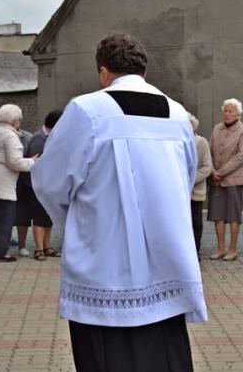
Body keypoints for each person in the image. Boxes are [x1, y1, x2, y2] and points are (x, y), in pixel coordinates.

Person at [32, 33, 206, 372]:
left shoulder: (86, 109)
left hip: (105, 262)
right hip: (167, 262)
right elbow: (185, 179)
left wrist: (77, 222)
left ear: (103, 72)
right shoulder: (177, 114)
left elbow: (51, 181)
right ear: (144, 70)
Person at [0, 104, 35, 262]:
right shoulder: (10, 136)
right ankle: (0, 253)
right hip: (2, 183)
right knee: (5, 219)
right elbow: (15, 163)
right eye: (19, 120)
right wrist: (34, 162)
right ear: (15, 120)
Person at [16, 110, 63, 261]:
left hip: (47, 184)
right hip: (35, 185)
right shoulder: (39, 139)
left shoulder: (50, 136)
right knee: (39, 217)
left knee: (48, 217)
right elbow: (38, 164)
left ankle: (47, 246)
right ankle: (39, 249)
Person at [208, 98, 243, 261]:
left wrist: (222, 172)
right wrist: (212, 170)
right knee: (217, 214)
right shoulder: (216, 128)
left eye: (230, 111)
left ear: (238, 114)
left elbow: (242, 155)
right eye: (225, 111)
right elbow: (209, 151)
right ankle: (220, 249)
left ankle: (233, 249)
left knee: (233, 216)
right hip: (216, 179)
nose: (227, 114)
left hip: (234, 179)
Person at [189, 113, 212, 257]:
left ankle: (196, 252)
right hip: (179, 192)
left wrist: (190, 180)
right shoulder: (178, 142)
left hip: (195, 191)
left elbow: (207, 167)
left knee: (196, 223)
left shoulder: (201, 142)